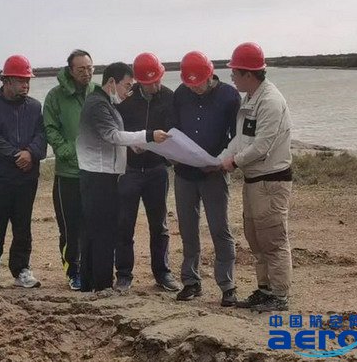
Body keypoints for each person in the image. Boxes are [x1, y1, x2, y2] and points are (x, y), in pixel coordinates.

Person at [76, 62, 170, 292]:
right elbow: (113, 135)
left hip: (108, 173)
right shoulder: (98, 104)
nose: (129, 91)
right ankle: (101, 284)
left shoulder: (106, 102)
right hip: (98, 175)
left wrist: (133, 144)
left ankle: (94, 283)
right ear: (111, 82)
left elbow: (115, 138)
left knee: (100, 230)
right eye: (127, 85)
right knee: (102, 231)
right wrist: (148, 136)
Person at [221, 42, 293, 312]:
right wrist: (219, 159)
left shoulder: (270, 101)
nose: (231, 77)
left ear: (248, 74)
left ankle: (279, 295)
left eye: (234, 73)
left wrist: (233, 162)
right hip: (254, 182)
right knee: (256, 239)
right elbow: (242, 140)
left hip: (271, 181)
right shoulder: (251, 98)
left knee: (273, 240)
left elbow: (262, 145)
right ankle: (265, 290)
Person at [172, 51, 241, 306]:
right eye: (190, 84)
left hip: (215, 172)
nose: (195, 88)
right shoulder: (180, 94)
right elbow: (174, 130)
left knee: (219, 228)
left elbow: (237, 136)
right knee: (188, 229)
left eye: (199, 83)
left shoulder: (229, 96)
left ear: (210, 75)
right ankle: (191, 281)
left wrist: (222, 160)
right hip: (184, 173)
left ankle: (227, 285)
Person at [0, 55, 47, 289]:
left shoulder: (35, 107)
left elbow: (42, 135)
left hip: (26, 178)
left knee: (22, 227)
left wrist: (31, 153)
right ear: (6, 81)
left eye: (28, 80)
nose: (26, 84)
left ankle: (21, 270)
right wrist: (18, 155)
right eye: (21, 80)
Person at [114, 53, 181, 293]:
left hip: (157, 170)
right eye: (151, 82)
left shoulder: (169, 97)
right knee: (124, 224)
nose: (156, 85)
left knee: (159, 225)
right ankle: (123, 275)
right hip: (129, 170)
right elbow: (116, 131)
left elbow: (175, 131)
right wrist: (131, 144)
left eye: (158, 79)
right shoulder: (125, 100)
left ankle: (163, 273)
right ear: (140, 81)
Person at [43, 49, 97, 291]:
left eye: (90, 68)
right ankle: (73, 271)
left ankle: (91, 269)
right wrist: (67, 151)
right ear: (71, 70)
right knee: (70, 228)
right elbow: (50, 128)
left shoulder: (97, 92)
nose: (86, 73)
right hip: (68, 174)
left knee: (93, 224)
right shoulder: (55, 96)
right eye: (81, 69)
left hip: (94, 172)